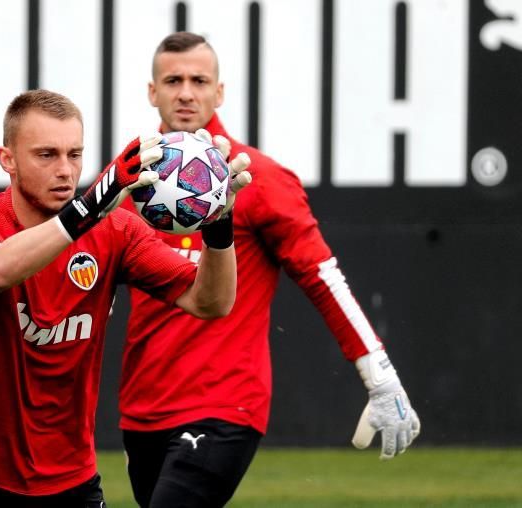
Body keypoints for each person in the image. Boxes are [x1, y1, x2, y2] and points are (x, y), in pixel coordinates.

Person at [0, 89, 248, 507]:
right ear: (7, 159)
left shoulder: (116, 231)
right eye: (46, 155)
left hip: (69, 482)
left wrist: (218, 225)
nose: (65, 170)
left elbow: (211, 302)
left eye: (75, 154)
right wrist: (89, 209)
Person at [118, 32, 422, 508]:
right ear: (152, 92)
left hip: (225, 404)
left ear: (219, 92)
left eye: (199, 81)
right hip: (142, 410)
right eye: (173, 81)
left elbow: (322, 277)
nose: (186, 93)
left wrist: (378, 374)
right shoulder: (126, 181)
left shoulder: (257, 178)